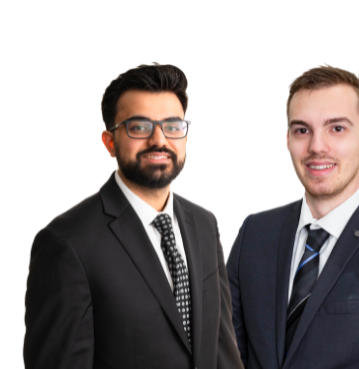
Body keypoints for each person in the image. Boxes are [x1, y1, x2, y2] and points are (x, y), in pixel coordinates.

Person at [25, 63, 241, 368]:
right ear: (110, 142)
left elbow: (223, 351)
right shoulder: (68, 244)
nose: (159, 140)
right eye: (139, 127)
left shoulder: (205, 225)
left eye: (172, 126)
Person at [226, 66, 359, 369]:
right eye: (302, 130)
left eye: (336, 128)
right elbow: (226, 354)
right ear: (289, 138)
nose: (316, 146)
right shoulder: (254, 234)